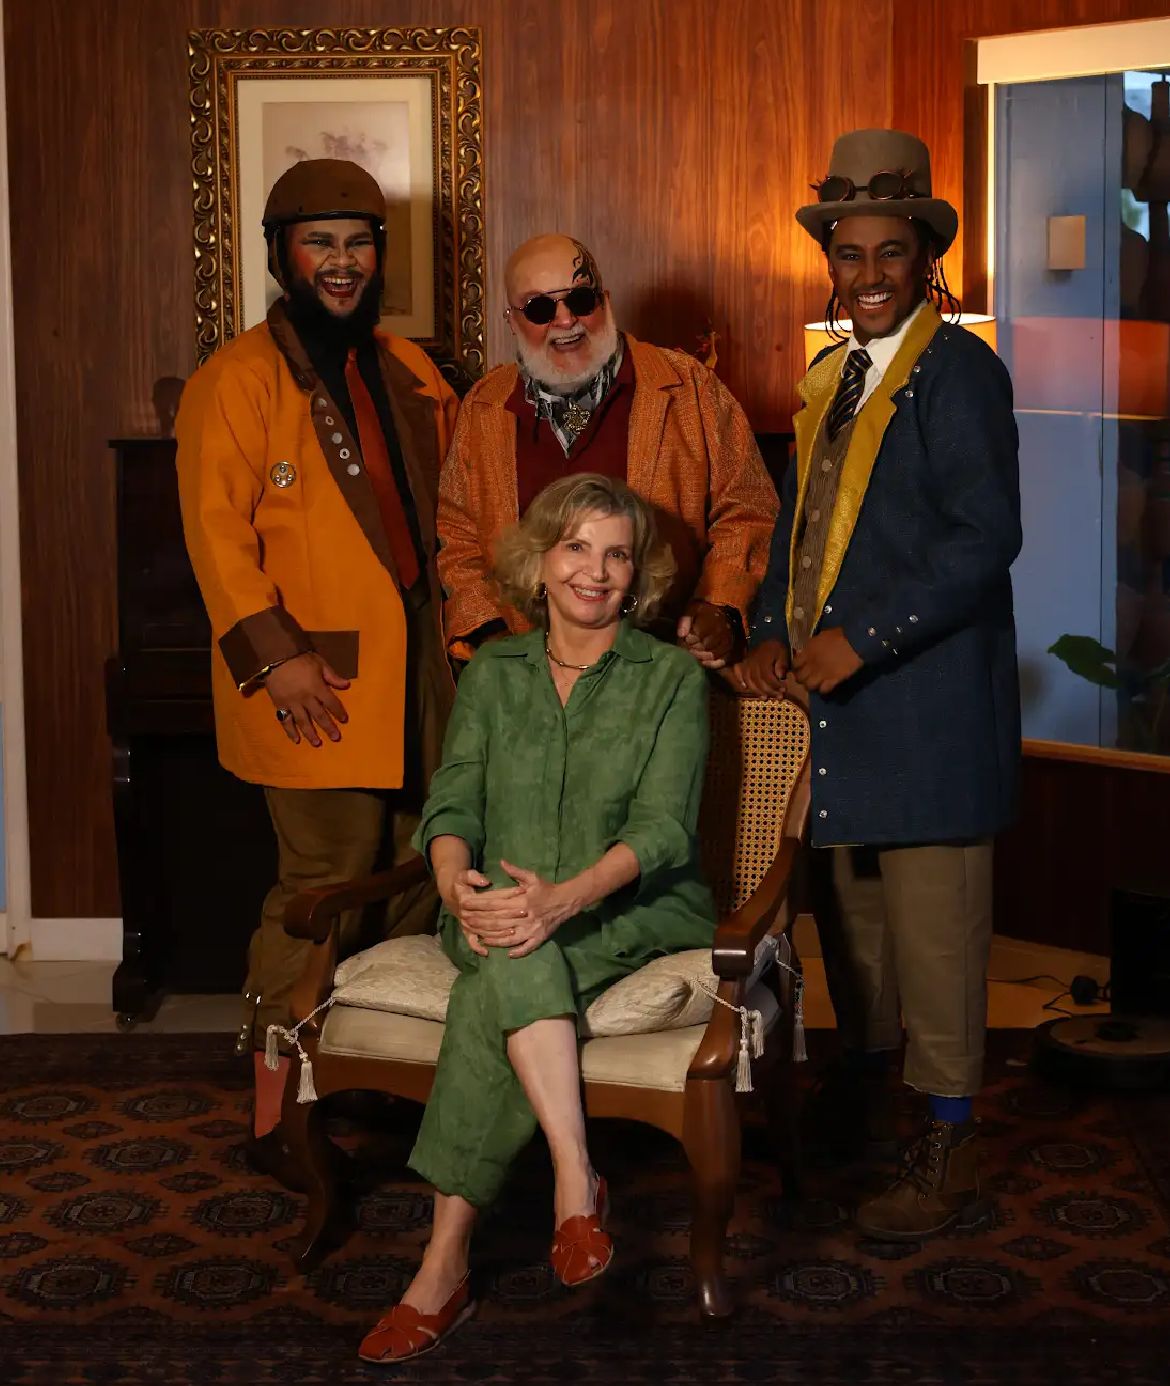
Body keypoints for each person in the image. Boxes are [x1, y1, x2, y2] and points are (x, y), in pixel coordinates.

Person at [729, 129, 1022, 1240]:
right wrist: (771, 629)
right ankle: (866, 1102)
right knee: (856, 934)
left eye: (888, 251)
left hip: (928, 707)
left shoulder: (960, 374)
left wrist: (861, 639)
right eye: (847, 253)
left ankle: (951, 1145)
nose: (866, 273)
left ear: (924, 257)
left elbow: (984, 540)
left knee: (936, 940)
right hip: (838, 716)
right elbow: (795, 529)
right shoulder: (832, 379)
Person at [357, 473, 716, 1364]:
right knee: (514, 948)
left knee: (503, 975)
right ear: (541, 560)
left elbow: (665, 829)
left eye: (617, 554)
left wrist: (564, 898)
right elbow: (452, 804)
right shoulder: (494, 674)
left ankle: (443, 1267)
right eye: (577, 547)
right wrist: (454, 886)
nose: (595, 570)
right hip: (496, 908)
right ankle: (575, 1179)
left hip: (628, 908)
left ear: (637, 576)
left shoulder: (671, 678)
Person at [175, 159, 459, 1190]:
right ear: (280, 256)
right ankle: (272, 1118)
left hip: (423, 674)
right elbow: (216, 542)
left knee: (418, 879)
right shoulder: (235, 380)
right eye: (320, 243)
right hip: (314, 681)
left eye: (359, 243)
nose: (343, 263)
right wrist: (277, 659)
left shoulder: (410, 369)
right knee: (319, 893)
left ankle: (367, 1081)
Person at [436, 233, 777, 670]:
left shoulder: (692, 388)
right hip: (526, 683)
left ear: (606, 301)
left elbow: (748, 510)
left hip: (658, 673)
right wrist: (492, 637)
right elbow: (458, 536)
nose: (566, 320)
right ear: (512, 321)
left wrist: (721, 605)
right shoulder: (484, 407)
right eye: (540, 308)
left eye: (581, 300)